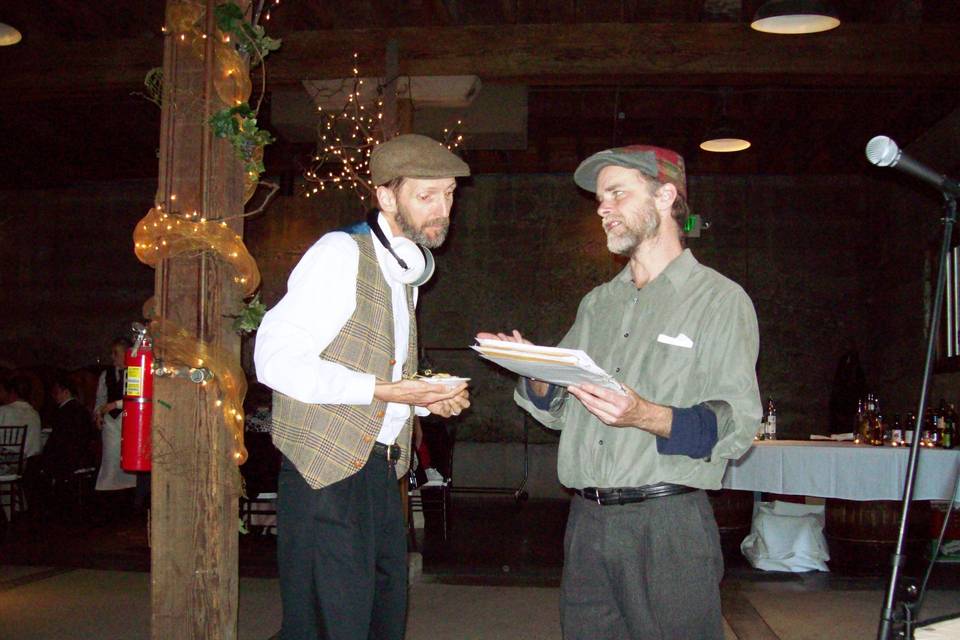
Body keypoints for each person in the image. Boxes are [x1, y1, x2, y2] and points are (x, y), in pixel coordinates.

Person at [480, 144, 761, 640]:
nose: (602, 208)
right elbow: (562, 408)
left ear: (665, 196)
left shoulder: (719, 300)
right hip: (587, 524)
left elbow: (737, 424)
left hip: (667, 526)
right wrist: (537, 373)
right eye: (599, 199)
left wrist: (646, 415)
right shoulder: (598, 304)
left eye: (616, 193)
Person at [254, 133, 472, 640]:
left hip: (378, 468)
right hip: (325, 474)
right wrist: (384, 391)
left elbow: (380, 371)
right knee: (328, 623)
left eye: (448, 194)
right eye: (426, 195)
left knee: (381, 612)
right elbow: (273, 357)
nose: (443, 208)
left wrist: (424, 400)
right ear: (385, 196)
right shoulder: (339, 253)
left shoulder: (403, 270)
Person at [41, 374, 98, 517]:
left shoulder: (63, 412)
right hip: (83, 456)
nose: (54, 396)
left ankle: (50, 507)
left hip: (68, 459)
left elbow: (57, 441)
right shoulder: (81, 410)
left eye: (57, 392)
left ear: (66, 392)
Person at [93, 338, 137, 517]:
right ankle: (109, 504)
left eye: (116, 353)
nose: (112, 357)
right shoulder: (106, 374)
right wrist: (98, 414)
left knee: (128, 460)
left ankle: (130, 501)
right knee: (111, 462)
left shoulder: (135, 372)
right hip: (111, 424)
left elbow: (137, 398)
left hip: (128, 420)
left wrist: (117, 404)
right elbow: (100, 398)